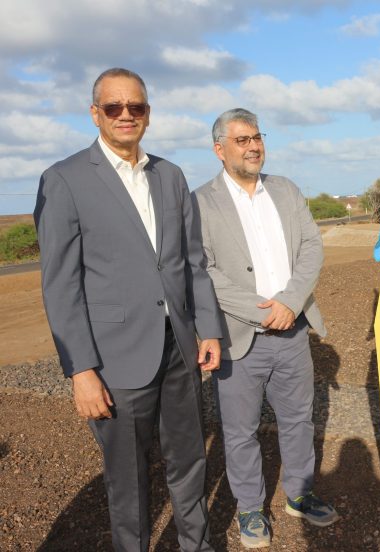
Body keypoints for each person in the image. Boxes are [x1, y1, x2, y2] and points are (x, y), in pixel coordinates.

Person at [34, 67, 222, 552]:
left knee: (190, 461)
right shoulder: (64, 180)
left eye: (135, 106)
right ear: (95, 113)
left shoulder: (170, 175)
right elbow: (61, 286)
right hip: (114, 360)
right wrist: (81, 371)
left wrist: (208, 328)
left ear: (148, 114)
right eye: (113, 107)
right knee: (128, 478)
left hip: (179, 350)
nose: (125, 115)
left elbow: (192, 262)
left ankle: (196, 545)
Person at [193, 108, 338, 548]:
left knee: (298, 420)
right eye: (242, 140)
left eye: (257, 137)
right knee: (240, 431)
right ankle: (250, 508)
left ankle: (300, 493)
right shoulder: (200, 202)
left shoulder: (286, 190)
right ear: (219, 149)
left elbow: (311, 247)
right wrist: (263, 312)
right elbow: (204, 269)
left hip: (293, 332)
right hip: (240, 339)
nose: (253, 146)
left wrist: (290, 302)